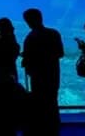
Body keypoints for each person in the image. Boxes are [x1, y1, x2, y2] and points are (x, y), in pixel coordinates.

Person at [21, 8, 64, 136]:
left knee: (40, 103)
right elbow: (60, 53)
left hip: (38, 77)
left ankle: (41, 129)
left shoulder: (30, 37)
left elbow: (28, 60)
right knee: (52, 102)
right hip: (53, 75)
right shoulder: (54, 33)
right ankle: (54, 129)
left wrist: (28, 58)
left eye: (27, 21)